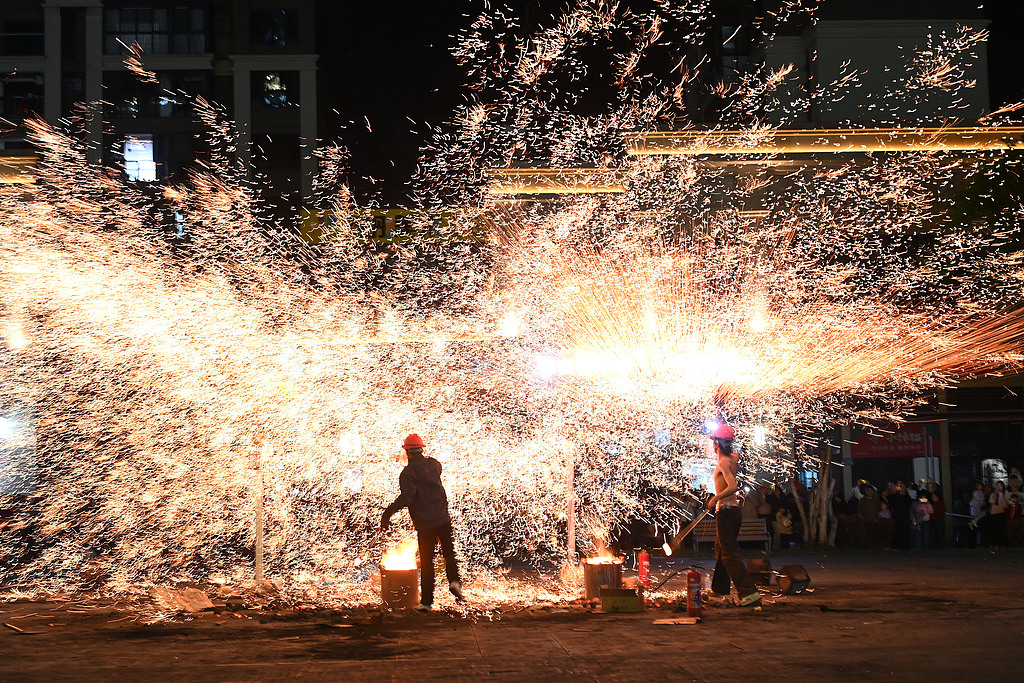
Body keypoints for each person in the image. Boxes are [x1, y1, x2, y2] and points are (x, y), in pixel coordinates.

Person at [381, 433, 464, 610]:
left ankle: (427, 602)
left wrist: (388, 513)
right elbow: (437, 470)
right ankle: (455, 582)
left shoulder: (408, 473)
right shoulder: (433, 464)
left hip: (426, 524)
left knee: (427, 562)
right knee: (449, 553)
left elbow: (407, 498)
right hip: (443, 518)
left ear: (407, 452)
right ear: (421, 449)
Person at [704, 424, 761, 608]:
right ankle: (720, 588)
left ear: (718, 444)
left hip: (726, 511)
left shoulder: (723, 463)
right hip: (733, 511)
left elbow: (733, 486)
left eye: (714, 442)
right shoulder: (733, 457)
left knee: (729, 554)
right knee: (721, 549)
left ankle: (749, 592)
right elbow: (735, 455)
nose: (712, 445)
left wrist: (715, 498)